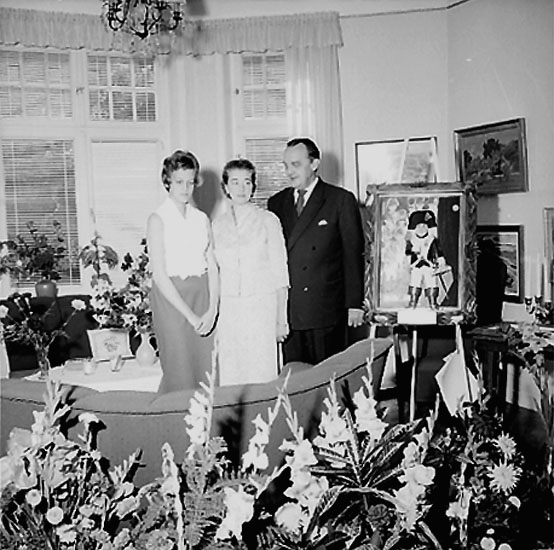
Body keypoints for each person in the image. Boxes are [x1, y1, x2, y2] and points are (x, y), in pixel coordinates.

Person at [267, 137, 365, 365]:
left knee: (327, 375)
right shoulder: (276, 203)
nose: (289, 172)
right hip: (290, 310)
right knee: (295, 376)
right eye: (286, 165)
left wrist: (355, 304)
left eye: (296, 164)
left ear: (314, 164)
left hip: (326, 309)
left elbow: (353, 255)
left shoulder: (340, 199)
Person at [147, 150, 219, 394]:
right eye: (179, 182)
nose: (186, 188)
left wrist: (212, 310)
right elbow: (159, 275)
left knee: (207, 368)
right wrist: (191, 317)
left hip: (202, 296)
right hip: (172, 301)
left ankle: (208, 418)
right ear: (167, 181)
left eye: (190, 182)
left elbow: (212, 266)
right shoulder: (158, 219)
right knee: (179, 368)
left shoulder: (201, 219)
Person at [212, 158, 289, 385]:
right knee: (232, 373)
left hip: (261, 309)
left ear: (254, 186)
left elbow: (280, 273)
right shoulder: (216, 225)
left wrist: (281, 320)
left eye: (247, 182)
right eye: (235, 182)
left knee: (262, 373)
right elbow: (214, 272)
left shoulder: (268, 221)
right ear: (226, 187)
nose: (241, 188)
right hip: (229, 311)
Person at [404, 209, 446, 309]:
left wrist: (440, 262)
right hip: (416, 266)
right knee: (415, 282)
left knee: (431, 283)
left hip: (430, 267)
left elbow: (438, 253)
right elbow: (408, 253)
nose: (421, 228)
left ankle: (433, 303)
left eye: (424, 226)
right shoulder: (411, 241)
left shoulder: (432, 240)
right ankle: (413, 302)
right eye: (419, 226)